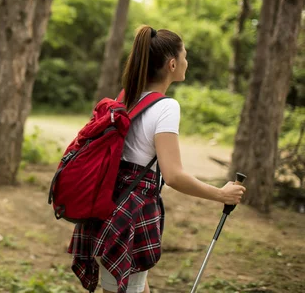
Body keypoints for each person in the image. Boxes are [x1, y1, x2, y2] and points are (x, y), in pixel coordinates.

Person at [68, 25, 246, 293]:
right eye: (185, 56)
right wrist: (221, 194)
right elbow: (173, 175)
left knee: (133, 285)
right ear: (172, 64)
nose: (187, 62)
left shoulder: (125, 97)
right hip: (132, 211)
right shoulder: (166, 106)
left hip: (109, 203)